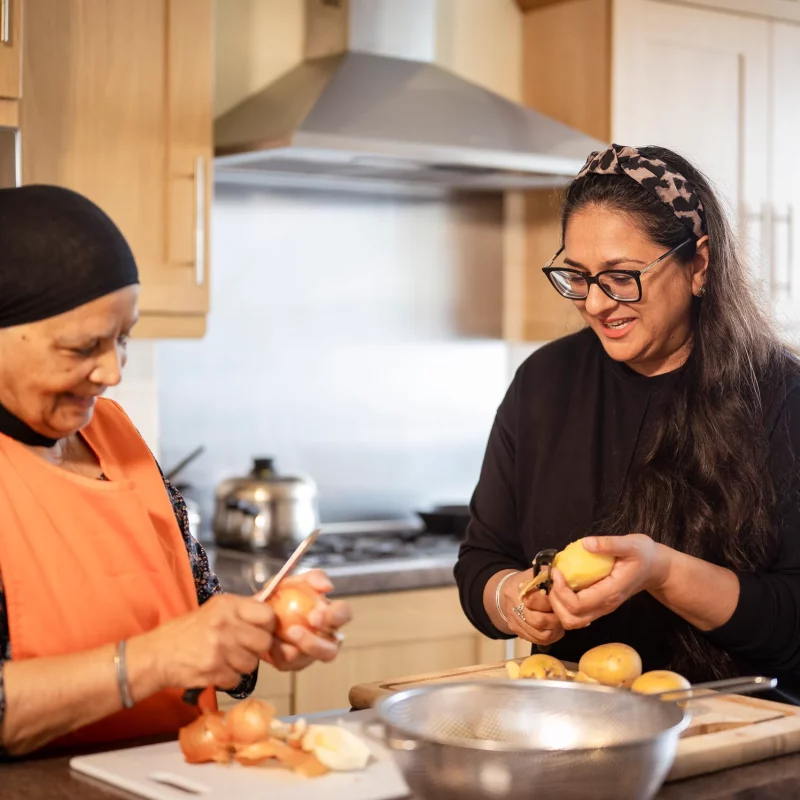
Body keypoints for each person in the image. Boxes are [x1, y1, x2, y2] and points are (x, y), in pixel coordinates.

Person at [0, 185, 351, 757]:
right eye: (81, 347)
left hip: (179, 776)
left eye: (123, 337)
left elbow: (193, 607)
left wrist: (258, 631)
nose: (112, 371)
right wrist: (157, 658)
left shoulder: (115, 433)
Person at [455, 144, 800, 697]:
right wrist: (513, 598)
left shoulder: (781, 396)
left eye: (620, 275)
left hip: (743, 731)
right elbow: (481, 560)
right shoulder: (542, 384)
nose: (595, 303)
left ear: (699, 264)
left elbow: (792, 618)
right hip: (572, 726)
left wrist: (662, 572)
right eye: (577, 276)